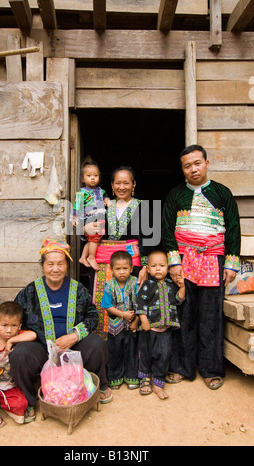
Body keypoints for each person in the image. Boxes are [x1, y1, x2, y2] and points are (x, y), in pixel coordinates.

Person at [0, 238, 113, 419]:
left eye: (60, 264)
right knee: (20, 355)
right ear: (43, 266)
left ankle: (99, 385)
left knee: (97, 344)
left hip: (73, 347)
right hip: (40, 348)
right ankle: (30, 400)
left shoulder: (77, 289)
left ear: (67, 265)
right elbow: (8, 316)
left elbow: (93, 315)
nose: (55, 269)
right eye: (50, 264)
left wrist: (74, 335)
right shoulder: (30, 292)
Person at [162, 144, 241, 389]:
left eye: (197, 163)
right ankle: (182, 368)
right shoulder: (175, 195)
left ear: (207, 163)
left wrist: (230, 264)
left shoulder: (222, 193)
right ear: (182, 169)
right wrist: (174, 262)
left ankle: (210, 369)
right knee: (184, 313)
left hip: (213, 260)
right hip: (185, 260)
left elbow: (234, 230)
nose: (193, 169)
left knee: (210, 315)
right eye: (187, 166)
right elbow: (167, 231)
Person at [87, 166, 153, 339]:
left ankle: (132, 353)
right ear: (112, 185)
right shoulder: (101, 206)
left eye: (126, 183)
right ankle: (104, 349)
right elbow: (88, 232)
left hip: (131, 263)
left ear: (133, 185)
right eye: (118, 183)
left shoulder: (143, 207)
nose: (122, 187)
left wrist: (145, 266)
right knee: (103, 304)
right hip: (103, 263)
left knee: (132, 303)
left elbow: (149, 238)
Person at [136, 250, 185, 399]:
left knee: (163, 356)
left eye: (162, 265)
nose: (158, 269)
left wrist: (182, 287)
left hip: (166, 330)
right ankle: (144, 379)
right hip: (149, 329)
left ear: (168, 267)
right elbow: (140, 303)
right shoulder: (147, 285)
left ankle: (158, 383)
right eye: (154, 266)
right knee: (145, 354)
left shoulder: (171, 285)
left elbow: (178, 300)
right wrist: (143, 320)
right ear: (148, 269)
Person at [101, 250, 139, 390]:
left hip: (132, 325)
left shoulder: (135, 283)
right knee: (115, 351)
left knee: (132, 350)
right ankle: (115, 377)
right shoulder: (109, 286)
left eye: (125, 268)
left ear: (131, 268)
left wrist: (135, 321)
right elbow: (107, 306)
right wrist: (123, 314)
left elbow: (140, 303)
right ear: (111, 270)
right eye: (118, 269)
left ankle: (132, 376)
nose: (121, 272)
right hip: (115, 326)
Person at [73, 156, 111, 271]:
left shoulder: (101, 190)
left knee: (94, 238)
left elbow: (105, 197)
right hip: (89, 216)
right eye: (89, 176)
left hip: (99, 215)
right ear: (82, 179)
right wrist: (75, 218)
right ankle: (91, 257)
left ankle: (83, 257)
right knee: (94, 236)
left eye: (95, 175)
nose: (93, 178)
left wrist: (107, 201)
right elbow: (77, 206)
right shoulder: (82, 192)